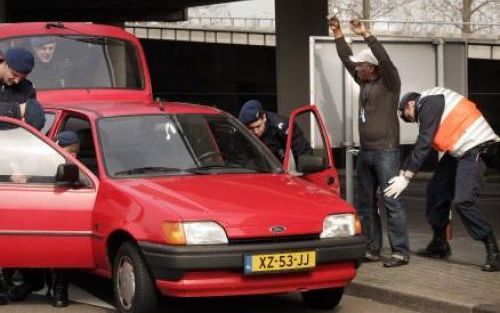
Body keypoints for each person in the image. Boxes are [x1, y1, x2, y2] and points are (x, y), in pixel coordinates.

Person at [387, 87, 500, 272]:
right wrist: (402, 172)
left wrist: (406, 177)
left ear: (410, 103)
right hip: (459, 151)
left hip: (477, 148)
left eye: (408, 116)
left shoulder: (428, 102)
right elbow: (421, 144)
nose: (412, 121)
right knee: (436, 190)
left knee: (463, 201)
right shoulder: (431, 103)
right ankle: (439, 243)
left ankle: (493, 250)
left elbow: (423, 143)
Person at [328, 16, 409, 267]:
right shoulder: (362, 81)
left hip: (386, 152)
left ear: (372, 68)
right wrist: (338, 34)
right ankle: (373, 248)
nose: (357, 68)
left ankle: (400, 252)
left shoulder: (390, 83)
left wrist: (366, 34)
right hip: (366, 153)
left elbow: (384, 59)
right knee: (365, 204)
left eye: (361, 65)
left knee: (391, 202)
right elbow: (345, 58)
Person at [238, 99, 311, 162]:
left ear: (264, 117)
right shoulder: (241, 131)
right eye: (250, 128)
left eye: (258, 126)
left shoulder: (283, 127)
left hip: (282, 172)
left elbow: (303, 154)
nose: (255, 131)